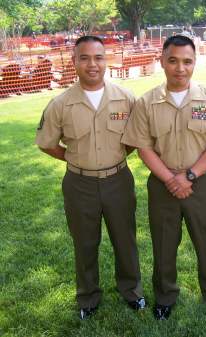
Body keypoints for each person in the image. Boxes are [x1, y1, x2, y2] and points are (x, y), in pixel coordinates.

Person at [121, 35, 206, 320]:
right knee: (164, 243)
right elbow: (142, 146)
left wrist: (190, 175)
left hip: (202, 181)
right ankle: (165, 296)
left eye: (187, 61)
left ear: (195, 62)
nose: (180, 68)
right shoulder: (147, 103)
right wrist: (171, 179)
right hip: (162, 183)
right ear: (162, 61)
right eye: (173, 61)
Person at [35, 35, 145, 320]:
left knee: (125, 240)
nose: (92, 64)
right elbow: (47, 143)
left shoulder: (126, 98)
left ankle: (131, 291)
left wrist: (116, 157)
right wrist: (73, 159)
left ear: (106, 61)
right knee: (84, 243)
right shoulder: (60, 104)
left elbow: (135, 137)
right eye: (84, 58)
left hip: (118, 180)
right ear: (74, 62)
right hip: (79, 184)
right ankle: (88, 298)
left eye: (98, 57)